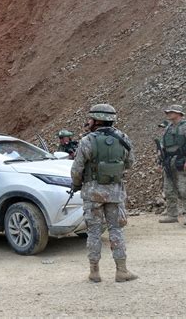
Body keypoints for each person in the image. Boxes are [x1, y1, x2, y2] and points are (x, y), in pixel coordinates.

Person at [71, 103, 137, 283]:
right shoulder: (123, 138)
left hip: (92, 194)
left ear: (96, 120)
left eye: (90, 118)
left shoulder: (87, 140)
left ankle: (94, 272)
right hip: (115, 192)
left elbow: (77, 169)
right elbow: (130, 162)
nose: (88, 121)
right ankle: (122, 271)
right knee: (116, 229)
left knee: (93, 231)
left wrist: (76, 184)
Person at [158, 105, 186, 225]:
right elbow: (163, 146)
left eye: (172, 112)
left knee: (184, 189)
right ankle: (172, 214)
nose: (169, 114)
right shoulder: (168, 128)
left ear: (179, 113)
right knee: (168, 189)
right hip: (168, 161)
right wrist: (160, 161)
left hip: (181, 160)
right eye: (168, 112)